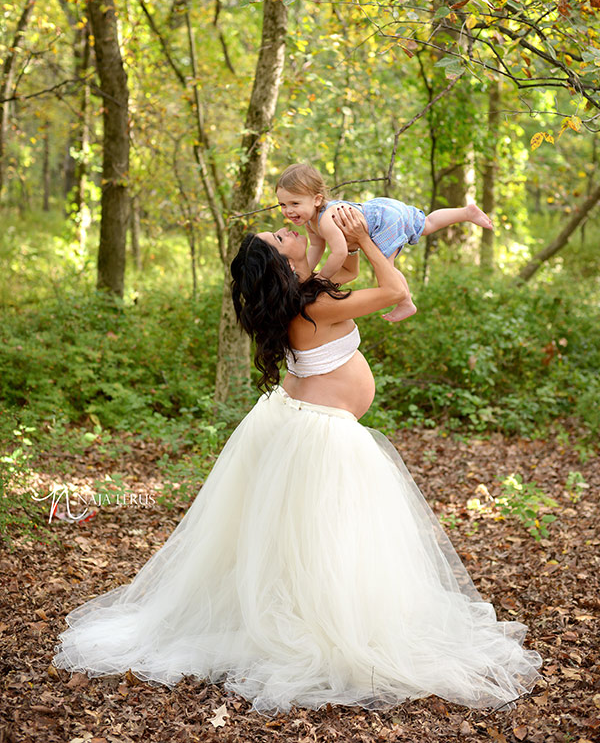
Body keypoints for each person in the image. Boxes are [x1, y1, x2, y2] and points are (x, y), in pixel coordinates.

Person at [52, 207, 541, 715]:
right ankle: (320, 630)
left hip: (299, 420)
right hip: (319, 435)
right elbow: (395, 291)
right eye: (283, 236)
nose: (291, 232)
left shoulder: (303, 295)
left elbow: (341, 269)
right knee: (327, 539)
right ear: (285, 265)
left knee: (311, 539)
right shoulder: (309, 307)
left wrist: (339, 236)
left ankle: (312, 615)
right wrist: (369, 245)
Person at [276, 163, 494, 322]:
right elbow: (316, 247)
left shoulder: (325, 220)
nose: (288, 211)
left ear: (316, 199)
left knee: (386, 268)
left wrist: (321, 279)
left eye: (295, 203)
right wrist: (306, 276)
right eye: (283, 205)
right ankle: (466, 212)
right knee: (426, 225)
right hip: (385, 209)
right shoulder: (310, 223)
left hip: (383, 222)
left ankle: (406, 301)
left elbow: (339, 253)